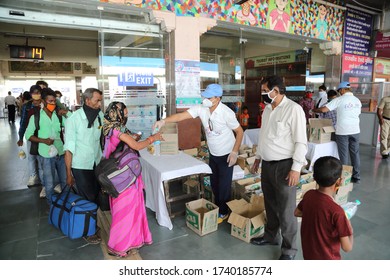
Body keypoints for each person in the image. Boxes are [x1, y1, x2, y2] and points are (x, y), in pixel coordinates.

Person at [153, 84, 244, 224]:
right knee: (214, 183)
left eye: (209, 97)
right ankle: (219, 207)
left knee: (223, 186)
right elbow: (181, 116)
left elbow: (239, 132)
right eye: (205, 96)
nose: (205, 99)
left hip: (227, 153)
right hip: (214, 153)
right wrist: (163, 121)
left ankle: (224, 211)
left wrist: (234, 151)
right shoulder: (202, 108)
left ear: (218, 98)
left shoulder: (227, 113)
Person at [250, 75, 307, 260]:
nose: (263, 94)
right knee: (270, 204)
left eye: (265, 90)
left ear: (276, 90)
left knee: (286, 210)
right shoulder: (267, 109)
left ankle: (289, 250)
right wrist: (258, 157)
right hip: (267, 165)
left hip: (285, 167)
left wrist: (296, 168)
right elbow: (264, 136)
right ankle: (271, 237)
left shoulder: (294, 109)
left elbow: (301, 142)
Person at [102, 101, 162, 257]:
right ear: (117, 113)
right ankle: (117, 246)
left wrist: (133, 137)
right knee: (124, 213)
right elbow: (136, 146)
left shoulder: (111, 128)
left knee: (130, 211)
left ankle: (130, 242)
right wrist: (152, 138)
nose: (127, 114)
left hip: (124, 175)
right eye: (125, 112)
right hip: (123, 177)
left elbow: (126, 142)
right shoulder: (116, 130)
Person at [64, 88, 104, 244]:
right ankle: (89, 231)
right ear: (87, 101)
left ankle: (91, 224)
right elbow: (68, 149)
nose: (100, 103)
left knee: (94, 196)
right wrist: (68, 174)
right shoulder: (73, 120)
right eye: (97, 100)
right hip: (80, 165)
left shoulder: (99, 116)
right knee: (88, 198)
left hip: (96, 162)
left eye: (100, 100)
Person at [294, 156, 354, 259]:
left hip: (309, 255)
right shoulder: (337, 212)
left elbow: (297, 212)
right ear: (339, 181)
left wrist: (314, 216)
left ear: (314, 178)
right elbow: (347, 247)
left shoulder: (309, 195)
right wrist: (349, 229)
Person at [25, 88, 70, 206]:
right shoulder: (36, 117)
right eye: (50, 101)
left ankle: (66, 204)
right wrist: (43, 140)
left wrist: (66, 113)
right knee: (49, 183)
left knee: (65, 181)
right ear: (44, 102)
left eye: (54, 101)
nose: (53, 103)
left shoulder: (58, 115)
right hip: (45, 155)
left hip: (60, 152)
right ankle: (51, 206)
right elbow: (28, 135)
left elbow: (72, 123)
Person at [313, 82, 362, 184]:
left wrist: (314, 110)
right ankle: (356, 176)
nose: (339, 93)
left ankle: (344, 177)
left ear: (343, 90)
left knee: (343, 155)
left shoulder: (339, 100)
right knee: (355, 153)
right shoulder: (357, 100)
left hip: (343, 131)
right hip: (355, 130)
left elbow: (324, 109)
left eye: (339, 91)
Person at [17, 85, 44, 187]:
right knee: (31, 157)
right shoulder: (27, 106)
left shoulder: (45, 105)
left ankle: (43, 178)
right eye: (34, 93)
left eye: (38, 93)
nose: (36, 95)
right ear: (31, 94)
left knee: (42, 157)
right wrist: (20, 137)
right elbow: (23, 122)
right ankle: (33, 176)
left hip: (43, 135)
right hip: (31, 135)